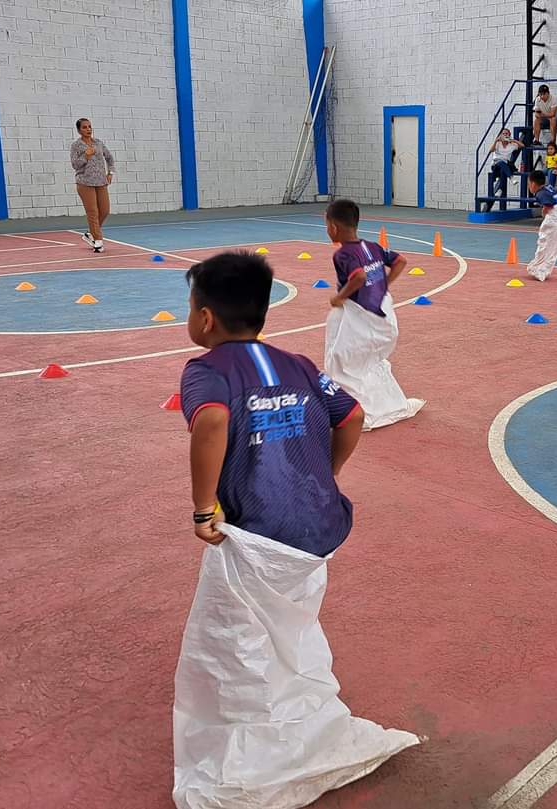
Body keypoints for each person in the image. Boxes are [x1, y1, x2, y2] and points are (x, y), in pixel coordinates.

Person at [173, 251, 418, 808]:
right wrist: (323, 475)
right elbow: (351, 415)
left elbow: (212, 419)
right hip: (319, 524)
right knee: (293, 613)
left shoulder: (206, 371)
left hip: (259, 532)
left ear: (205, 318)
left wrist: (204, 507)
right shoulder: (299, 363)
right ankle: (295, 688)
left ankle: (257, 734)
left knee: (237, 634)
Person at [324, 199, 425, 428]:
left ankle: (354, 411)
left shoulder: (343, 255)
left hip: (362, 318)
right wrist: (384, 284)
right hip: (384, 316)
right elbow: (400, 261)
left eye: (327, 225)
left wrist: (340, 297)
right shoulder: (373, 246)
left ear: (333, 227)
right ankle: (389, 403)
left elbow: (359, 276)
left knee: (340, 362)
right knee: (370, 362)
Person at [69, 118, 114, 253]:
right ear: (79, 130)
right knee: (92, 212)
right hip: (85, 183)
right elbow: (75, 165)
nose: (88, 129)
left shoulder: (98, 143)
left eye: (89, 126)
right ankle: (98, 241)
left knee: (105, 210)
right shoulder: (76, 146)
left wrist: (110, 172)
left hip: (101, 182)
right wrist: (86, 156)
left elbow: (109, 158)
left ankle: (90, 234)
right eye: (84, 127)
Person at [526, 170, 557, 282]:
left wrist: (544, 211)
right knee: (556, 245)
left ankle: (538, 268)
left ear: (533, 184)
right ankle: (544, 269)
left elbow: (548, 204)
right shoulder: (550, 188)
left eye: (528, 184)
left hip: (555, 218)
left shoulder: (540, 193)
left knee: (544, 242)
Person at [484, 128, 521, 211]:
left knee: (503, 170)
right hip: (495, 165)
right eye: (503, 133)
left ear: (509, 135)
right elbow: (491, 150)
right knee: (500, 162)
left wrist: (513, 140)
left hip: (504, 166)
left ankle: (500, 189)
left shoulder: (512, 145)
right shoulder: (498, 143)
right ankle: (511, 178)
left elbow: (522, 146)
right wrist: (496, 140)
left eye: (506, 133)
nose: (505, 135)